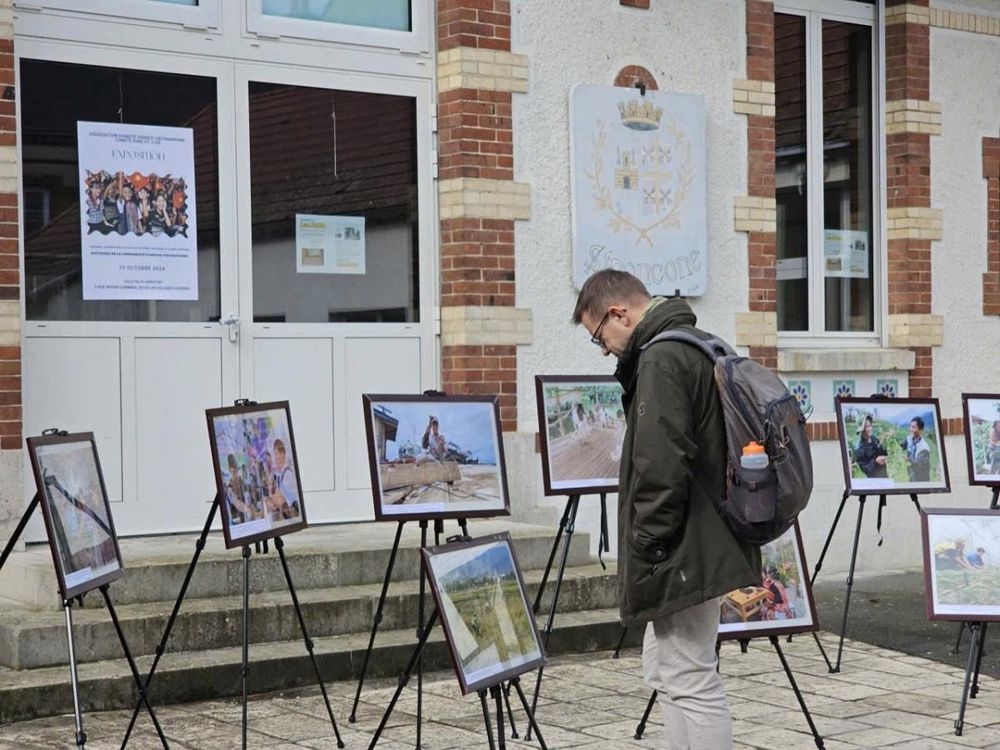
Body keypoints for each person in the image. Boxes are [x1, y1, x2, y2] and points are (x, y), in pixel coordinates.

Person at [573, 269, 758, 750]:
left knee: (691, 680)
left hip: (684, 546)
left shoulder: (661, 358)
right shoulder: (699, 343)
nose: (604, 349)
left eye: (600, 336)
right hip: (705, 536)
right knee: (675, 674)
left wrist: (648, 546)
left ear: (620, 313)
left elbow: (660, 466)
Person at [268, 438, 300, 520]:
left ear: (283, 454)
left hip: (293, 516)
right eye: (274, 455)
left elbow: (286, 500)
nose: (275, 458)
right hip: (288, 515)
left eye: (277, 454)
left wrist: (272, 499)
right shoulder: (280, 475)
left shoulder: (287, 474)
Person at [902, 416, 931, 482]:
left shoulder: (924, 447)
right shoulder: (909, 438)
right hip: (911, 475)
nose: (911, 429)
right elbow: (900, 446)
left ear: (920, 430)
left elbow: (919, 464)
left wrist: (908, 458)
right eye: (910, 426)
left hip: (921, 478)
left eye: (913, 427)